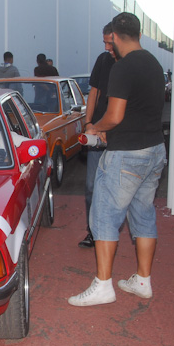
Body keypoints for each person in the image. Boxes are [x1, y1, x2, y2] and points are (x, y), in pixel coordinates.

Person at [68, 12, 166, 307]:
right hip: (155, 150)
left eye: (109, 41)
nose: (107, 47)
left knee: (103, 217)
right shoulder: (154, 64)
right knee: (143, 215)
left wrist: (95, 127)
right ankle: (143, 281)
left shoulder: (122, 68)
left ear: (116, 36)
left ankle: (103, 286)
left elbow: (114, 116)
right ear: (138, 34)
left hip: (127, 155)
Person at [79, 23, 116, 248]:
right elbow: (94, 92)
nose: (106, 47)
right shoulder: (103, 60)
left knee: (116, 189)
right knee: (92, 186)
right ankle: (93, 232)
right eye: (104, 42)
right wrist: (89, 123)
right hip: (96, 137)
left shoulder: (131, 64)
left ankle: (108, 233)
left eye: (110, 42)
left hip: (120, 138)